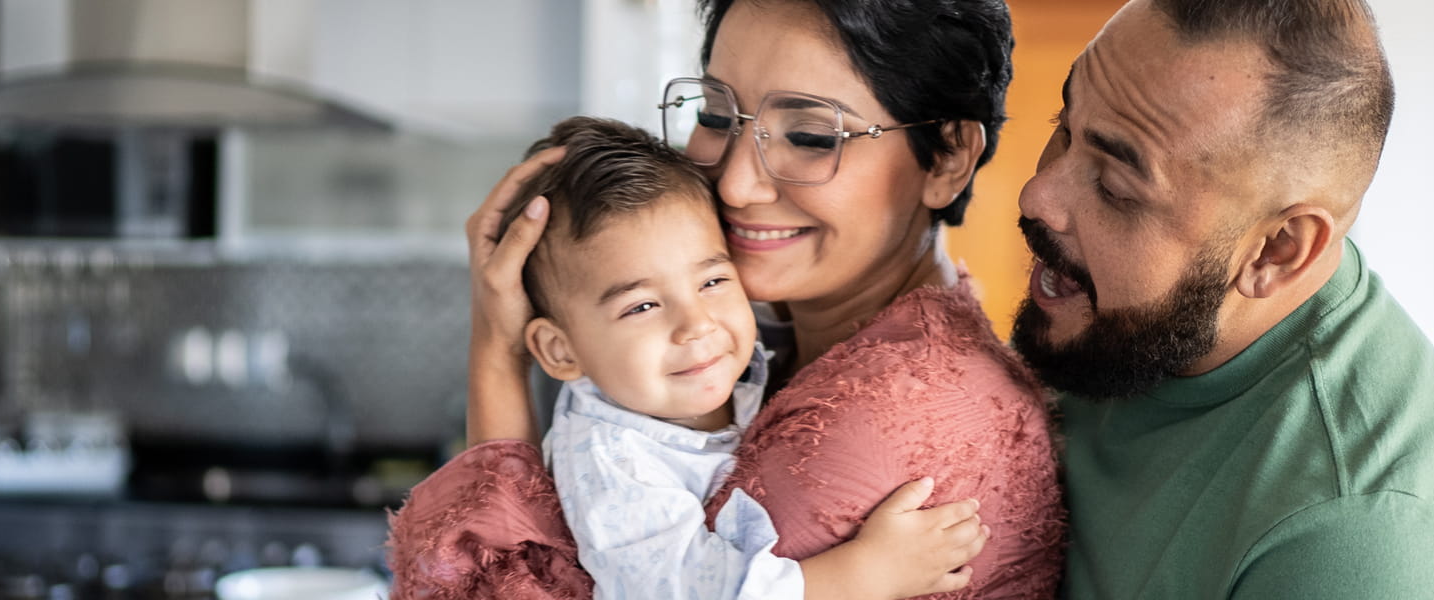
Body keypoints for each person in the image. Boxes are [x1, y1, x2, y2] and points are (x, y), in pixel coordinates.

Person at [386, 0, 1064, 598]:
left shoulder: (876, 429)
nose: (735, 183)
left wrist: (496, 359)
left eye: (809, 135)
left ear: (946, 157)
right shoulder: (764, 348)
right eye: (716, 115)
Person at [1010, 0, 1434, 597]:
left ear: (1277, 250)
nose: (1038, 196)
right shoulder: (1128, 325)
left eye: (1115, 188)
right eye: (1063, 125)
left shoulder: (1364, 552)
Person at [500, 116, 984, 599]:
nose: (697, 325)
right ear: (561, 350)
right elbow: (685, 590)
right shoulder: (611, 464)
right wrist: (866, 573)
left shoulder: (727, 366)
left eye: (711, 282)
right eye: (642, 306)